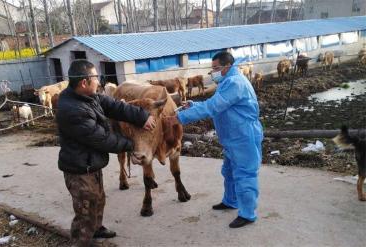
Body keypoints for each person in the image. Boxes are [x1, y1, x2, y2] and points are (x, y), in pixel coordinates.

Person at [56, 59, 155, 246]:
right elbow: (102, 139)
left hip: (90, 163)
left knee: (98, 199)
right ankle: (81, 241)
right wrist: (133, 144)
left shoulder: (87, 96)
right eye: (95, 78)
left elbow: (115, 106)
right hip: (79, 170)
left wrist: (142, 116)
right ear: (84, 82)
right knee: (85, 210)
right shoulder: (73, 110)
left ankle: (96, 229)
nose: (99, 82)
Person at [171, 51, 263, 228]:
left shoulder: (235, 83)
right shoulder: (227, 81)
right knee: (228, 171)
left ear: (227, 66)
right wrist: (193, 104)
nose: (212, 72)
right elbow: (219, 103)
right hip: (232, 137)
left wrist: (180, 118)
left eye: (215, 68)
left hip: (243, 135)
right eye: (212, 68)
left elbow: (214, 106)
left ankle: (247, 213)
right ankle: (231, 201)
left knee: (245, 174)